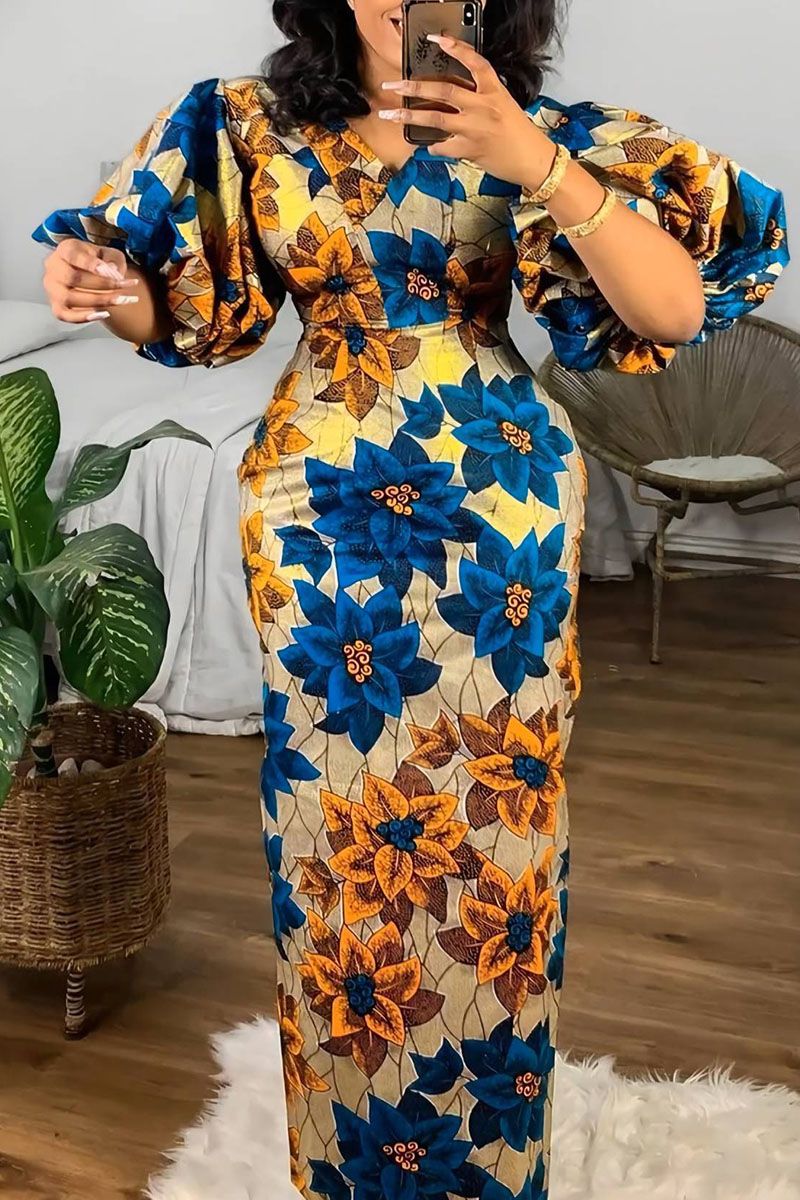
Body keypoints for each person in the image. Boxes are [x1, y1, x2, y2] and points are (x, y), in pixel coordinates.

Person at [34, 1, 788, 1195]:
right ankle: (348, 1160)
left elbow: (672, 312)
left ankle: (489, 1160)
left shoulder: (544, 129)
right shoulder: (247, 124)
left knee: (499, 838)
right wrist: (103, 282)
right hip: (314, 515)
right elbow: (187, 318)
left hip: (497, 515)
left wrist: (533, 161)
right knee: (329, 834)